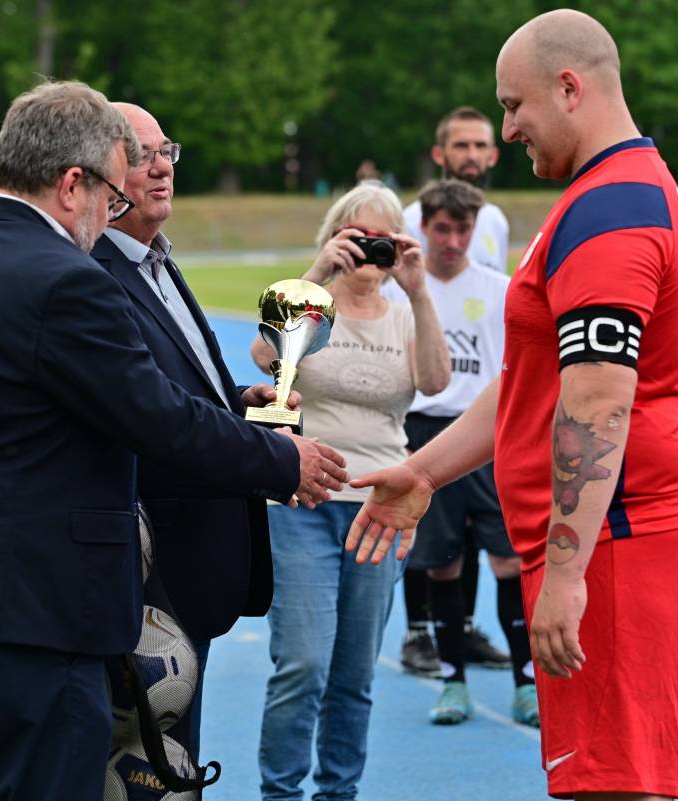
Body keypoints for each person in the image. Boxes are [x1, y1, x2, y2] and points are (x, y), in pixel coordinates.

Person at [0, 81, 347, 801]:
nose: (110, 216)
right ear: (71, 183)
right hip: (26, 614)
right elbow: (160, 422)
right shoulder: (67, 280)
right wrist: (282, 459)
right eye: (111, 197)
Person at [345, 10, 678, 800]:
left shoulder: (612, 209)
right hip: (615, 539)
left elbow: (598, 402)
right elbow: (531, 381)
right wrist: (423, 472)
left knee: (617, 788)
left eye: (514, 106)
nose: (508, 130)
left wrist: (566, 571)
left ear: (570, 88)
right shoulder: (605, 194)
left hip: (620, 542)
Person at [90, 102, 303, 762]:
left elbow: (170, 388)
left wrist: (237, 402)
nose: (160, 168)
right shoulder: (92, 273)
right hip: (149, 574)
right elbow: (146, 417)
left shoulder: (157, 261)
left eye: (166, 151)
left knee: (172, 759)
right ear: (101, 171)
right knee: (140, 765)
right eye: (140, 155)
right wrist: (275, 458)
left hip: (193, 567)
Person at [252, 180, 450, 801]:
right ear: (335, 236)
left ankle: (339, 793)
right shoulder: (311, 304)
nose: (369, 251)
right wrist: (318, 273)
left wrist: (419, 291)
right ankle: (281, 794)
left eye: (382, 240)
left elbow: (436, 381)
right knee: (303, 664)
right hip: (302, 503)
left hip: (379, 508)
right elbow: (260, 354)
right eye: (357, 237)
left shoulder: (405, 312)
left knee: (354, 673)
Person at [383, 178, 536, 727]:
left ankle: (526, 683)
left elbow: (518, 369)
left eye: (463, 229)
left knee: (509, 561)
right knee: (443, 564)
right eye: (442, 229)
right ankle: (453, 683)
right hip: (425, 432)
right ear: (423, 227)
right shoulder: (401, 291)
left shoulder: (502, 289)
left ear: (477, 229)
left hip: (490, 434)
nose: (452, 241)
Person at [399, 105, 512, 678]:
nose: (471, 155)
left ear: (492, 153)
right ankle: (419, 632)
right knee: (426, 525)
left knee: (472, 531)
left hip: (478, 401)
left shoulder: (493, 220)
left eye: (479, 145)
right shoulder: (409, 216)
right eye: (460, 145)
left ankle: (462, 628)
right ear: (440, 153)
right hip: (425, 403)